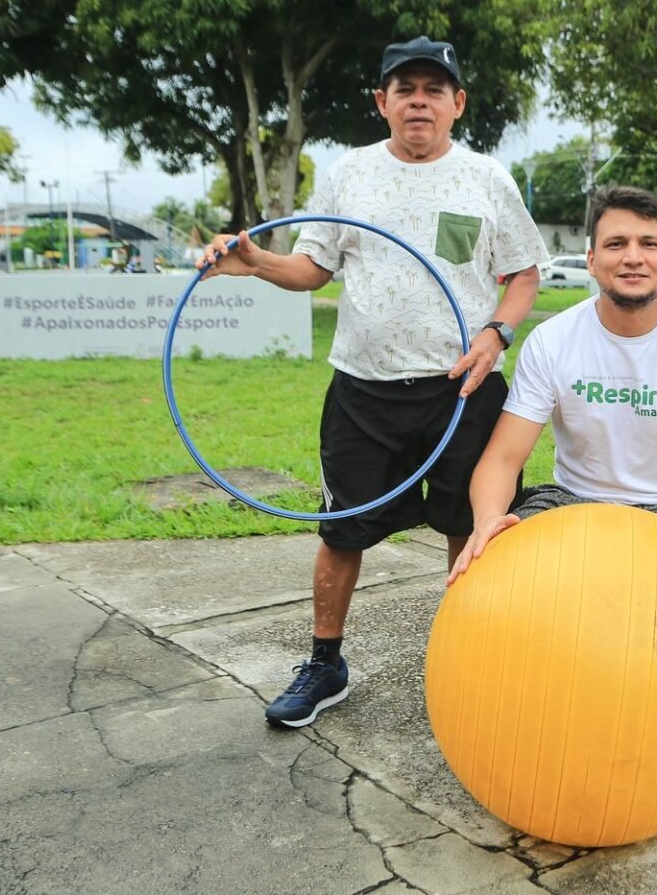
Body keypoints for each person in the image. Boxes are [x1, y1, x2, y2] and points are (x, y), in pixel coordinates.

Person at [197, 36, 549, 728]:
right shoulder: (348, 173)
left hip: (464, 388)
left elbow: (524, 273)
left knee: (469, 524)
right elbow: (312, 269)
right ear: (382, 102)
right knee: (341, 531)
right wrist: (255, 261)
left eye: (434, 89)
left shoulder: (486, 178)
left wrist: (496, 331)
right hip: (364, 389)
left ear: (458, 103)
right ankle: (326, 661)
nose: (420, 100)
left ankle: (466, 654)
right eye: (406, 88)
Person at [448, 185, 657, 621]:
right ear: (591, 261)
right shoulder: (552, 340)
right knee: (498, 561)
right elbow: (503, 459)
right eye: (615, 244)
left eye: (649, 244)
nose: (633, 257)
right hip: (577, 502)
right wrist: (489, 518)